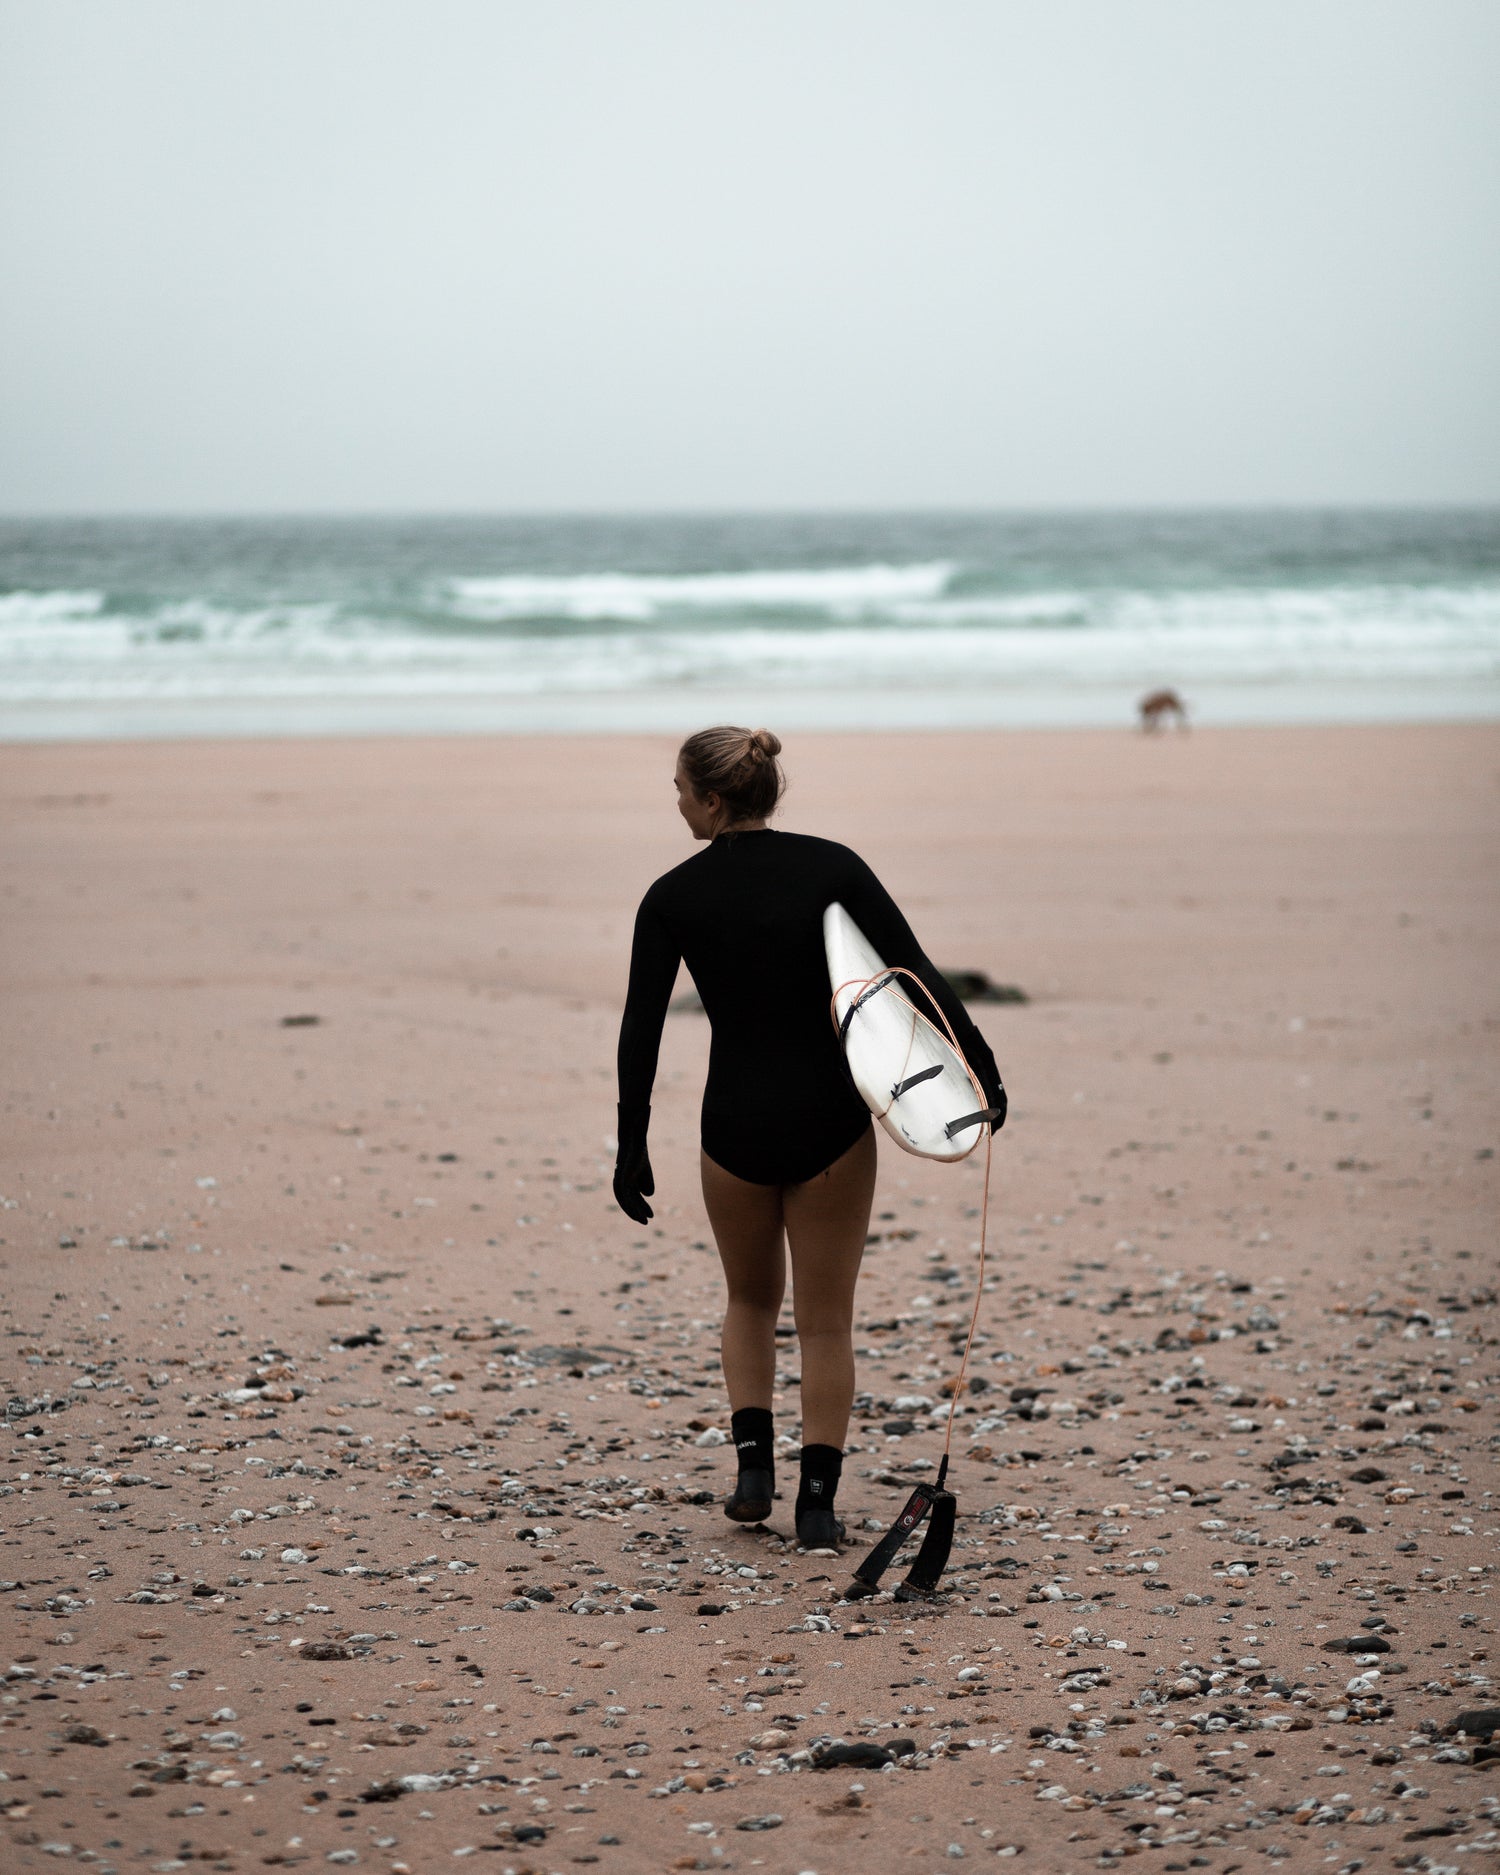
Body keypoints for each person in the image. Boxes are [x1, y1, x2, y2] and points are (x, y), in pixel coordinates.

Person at [614, 726, 1006, 1549]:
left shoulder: (672, 895)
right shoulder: (833, 866)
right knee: (827, 1321)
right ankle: (818, 1504)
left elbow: (639, 1033)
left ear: (713, 799)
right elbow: (916, 973)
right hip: (830, 1123)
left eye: (680, 789)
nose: (677, 802)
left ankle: (753, 1470)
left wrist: (631, 1144)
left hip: (732, 1128)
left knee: (750, 1300)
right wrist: (981, 1073)